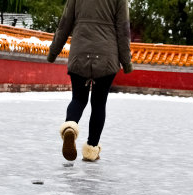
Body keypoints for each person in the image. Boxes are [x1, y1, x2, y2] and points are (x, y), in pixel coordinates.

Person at [47, 0, 134, 162]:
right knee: (99, 103)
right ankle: (91, 149)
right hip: (107, 56)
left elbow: (64, 24)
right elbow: (123, 30)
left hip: (79, 53)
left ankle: (70, 127)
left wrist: (53, 52)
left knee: (79, 99)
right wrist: (126, 62)